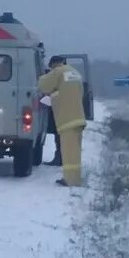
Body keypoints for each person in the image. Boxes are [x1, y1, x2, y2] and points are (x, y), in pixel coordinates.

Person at [38, 55, 86, 186]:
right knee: (75, 152)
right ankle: (75, 178)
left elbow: (43, 85)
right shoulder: (75, 73)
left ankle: (70, 180)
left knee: (68, 153)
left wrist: (42, 76)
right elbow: (79, 93)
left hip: (67, 119)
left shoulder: (58, 72)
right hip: (79, 117)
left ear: (54, 65)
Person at [41, 92, 61, 165]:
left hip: (59, 117)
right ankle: (60, 158)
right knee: (59, 138)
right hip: (60, 117)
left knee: (59, 138)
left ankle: (59, 159)